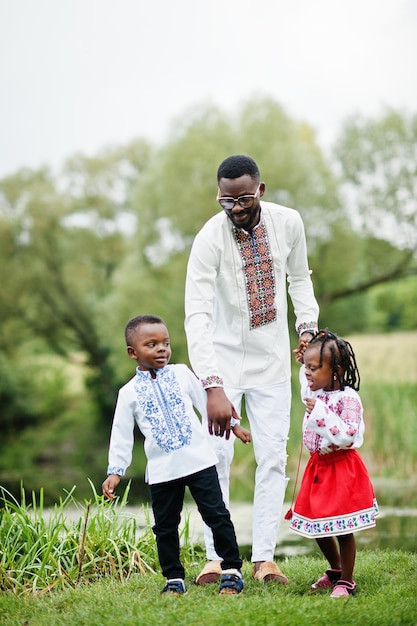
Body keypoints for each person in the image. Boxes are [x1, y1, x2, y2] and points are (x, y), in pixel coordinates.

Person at [184, 154, 319, 585]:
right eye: (227, 201)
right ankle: (217, 558)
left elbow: (299, 279)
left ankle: (264, 559)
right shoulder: (210, 238)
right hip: (222, 365)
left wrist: (308, 329)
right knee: (216, 457)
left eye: (244, 198)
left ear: (260, 189)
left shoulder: (289, 223)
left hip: (274, 361)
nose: (236, 208)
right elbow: (197, 314)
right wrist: (212, 384)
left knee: (273, 459)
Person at [102, 314, 251, 596]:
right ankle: (174, 578)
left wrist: (234, 425)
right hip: (162, 471)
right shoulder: (128, 393)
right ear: (133, 353)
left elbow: (208, 402)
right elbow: (120, 433)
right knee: (165, 527)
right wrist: (115, 471)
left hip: (200, 461)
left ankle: (231, 570)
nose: (162, 349)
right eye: (152, 344)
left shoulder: (182, 373)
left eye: (166, 343)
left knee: (217, 515)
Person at [290, 329, 379, 597]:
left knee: (342, 528)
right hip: (317, 467)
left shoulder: (347, 398)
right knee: (318, 525)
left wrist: (320, 413)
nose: (308, 373)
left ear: (336, 370)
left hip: (340, 466)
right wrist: (305, 359)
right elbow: (305, 377)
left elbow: (349, 434)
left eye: (314, 368)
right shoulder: (314, 386)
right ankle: (336, 569)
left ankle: (347, 581)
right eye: (306, 367)